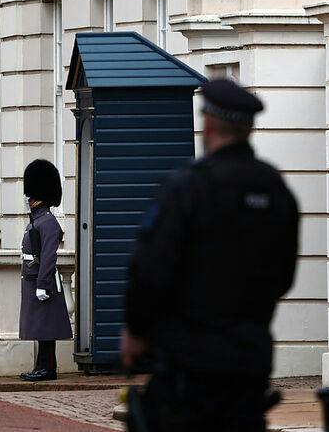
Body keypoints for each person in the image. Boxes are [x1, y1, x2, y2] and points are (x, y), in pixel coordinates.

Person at [121, 78, 299, 431]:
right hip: (249, 359)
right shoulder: (277, 191)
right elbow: (283, 277)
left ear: (209, 123)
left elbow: (151, 270)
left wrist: (137, 331)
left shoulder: (188, 187)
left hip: (189, 361)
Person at [18, 158, 72, 381]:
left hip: (43, 282)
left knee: (46, 329)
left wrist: (42, 284)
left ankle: (47, 368)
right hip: (35, 279)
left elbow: (48, 256)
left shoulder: (47, 222)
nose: (28, 198)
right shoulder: (38, 220)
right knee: (41, 329)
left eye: (31, 194)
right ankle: (42, 366)